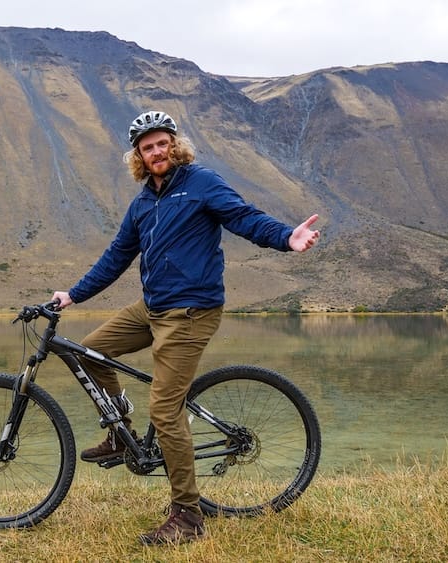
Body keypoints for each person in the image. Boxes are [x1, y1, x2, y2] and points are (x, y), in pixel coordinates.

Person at [51, 110, 320, 546]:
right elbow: (116, 257)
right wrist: (73, 295)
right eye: (147, 147)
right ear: (138, 156)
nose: (157, 152)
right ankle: (120, 433)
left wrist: (286, 238)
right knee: (90, 351)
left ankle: (188, 517)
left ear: (174, 145)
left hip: (191, 311)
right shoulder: (143, 204)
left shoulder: (202, 183)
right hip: (153, 307)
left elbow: (245, 217)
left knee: (165, 409)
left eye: (163, 143)